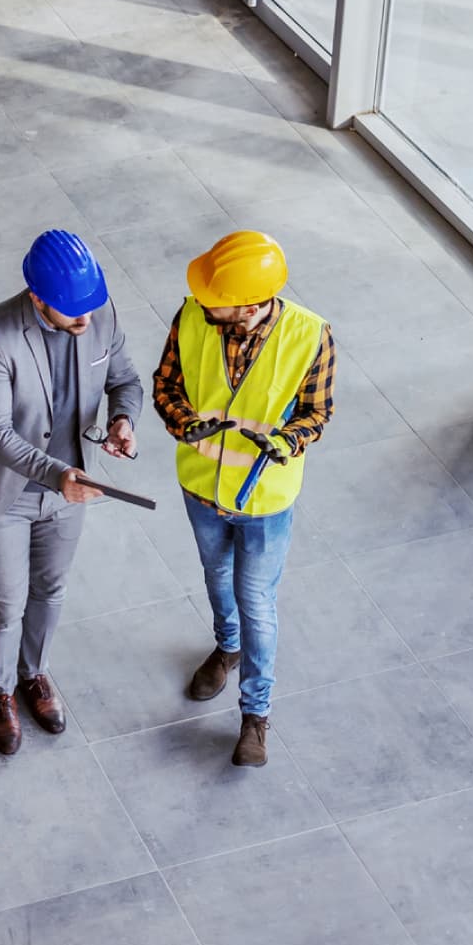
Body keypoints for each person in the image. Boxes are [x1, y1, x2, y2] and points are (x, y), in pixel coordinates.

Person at [0, 230, 143, 755]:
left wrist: (124, 418)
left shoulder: (96, 313)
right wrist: (57, 475)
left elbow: (124, 379)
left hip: (69, 490)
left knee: (50, 590)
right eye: (71, 312)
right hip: (7, 493)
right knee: (6, 602)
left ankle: (34, 674)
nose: (85, 322)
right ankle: (2, 692)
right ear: (38, 299)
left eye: (89, 308)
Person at [153, 230, 334, 767]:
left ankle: (255, 715)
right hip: (201, 487)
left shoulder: (310, 336)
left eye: (217, 299)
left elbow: (317, 414)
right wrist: (185, 424)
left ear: (250, 305)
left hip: (264, 501)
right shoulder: (191, 316)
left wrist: (284, 442)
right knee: (216, 577)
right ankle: (225, 646)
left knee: (256, 601)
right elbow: (167, 385)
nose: (204, 301)